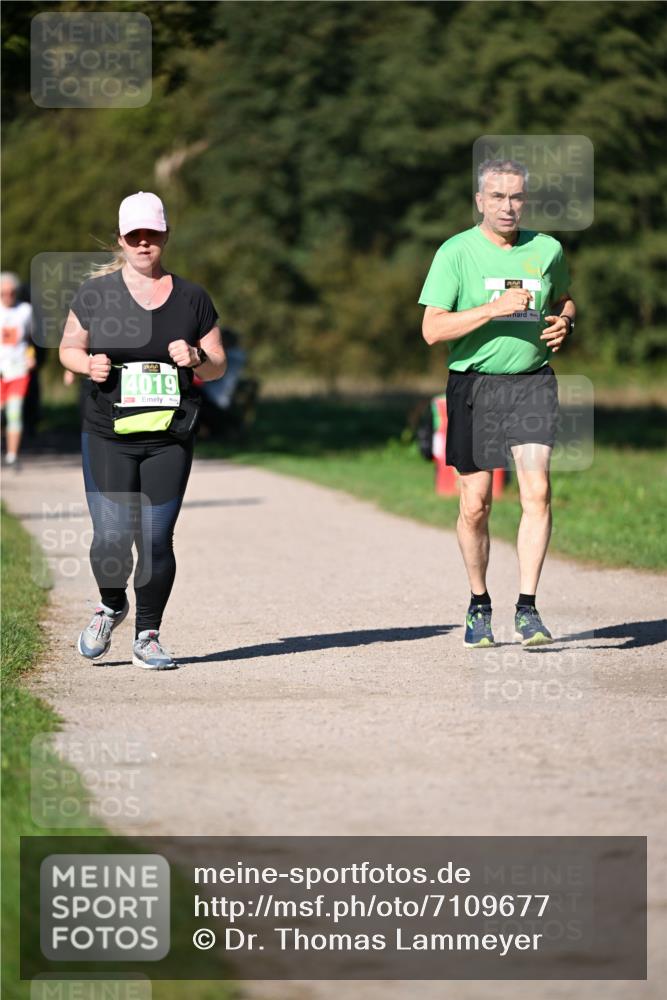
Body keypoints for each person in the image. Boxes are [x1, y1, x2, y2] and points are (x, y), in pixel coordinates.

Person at [59, 191, 226, 669]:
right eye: (134, 235)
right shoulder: (96, 294)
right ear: (121, 239)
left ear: (165, 236)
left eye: (152, 234)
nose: (143, 242)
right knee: (111, 537)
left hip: (168, 437)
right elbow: (69, 348)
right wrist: (86, 363)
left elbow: (217, 365)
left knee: (155, 538)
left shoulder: (192, 297)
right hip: (108, 432)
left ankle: (147, 634)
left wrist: (196, 358)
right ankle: (111, 605)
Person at [419, 159, 576, 648]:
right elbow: (432, 329)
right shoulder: (456, 253)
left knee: (538, 493)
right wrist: (491, 310)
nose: (508, 207)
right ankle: (479, 602)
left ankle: (527, 608)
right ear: (480, 202)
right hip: (475, 385)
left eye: (517, 197)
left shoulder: (547, 249)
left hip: (532, 382)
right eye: (498, 197)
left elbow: (566, 299)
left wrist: (566, 322)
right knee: (476, 505)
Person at [1, 271, 36, 467]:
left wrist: (30, 357)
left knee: (15, 413)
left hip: (18, 370)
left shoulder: (25, 311)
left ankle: (12, 456)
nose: (7, 296)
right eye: (3, 293)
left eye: (11, 292)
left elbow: (31, 340)